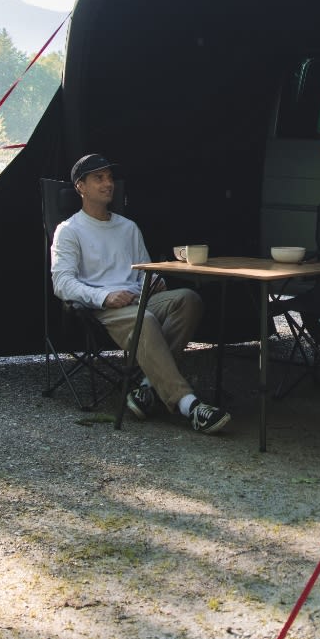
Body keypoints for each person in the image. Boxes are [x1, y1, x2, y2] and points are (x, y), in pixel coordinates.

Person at [50, 153, 231, 435]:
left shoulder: (127, 227)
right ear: (80, 187)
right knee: (143, 319)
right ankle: (189, 405)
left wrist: (155, 279)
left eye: (110, 177)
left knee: (188, 299)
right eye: (99, 178)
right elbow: (62, 284)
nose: (108, 183)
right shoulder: (69, 230)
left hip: (139, 299)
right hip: (104, 307)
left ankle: (148, 386)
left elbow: (143, 270)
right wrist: (104, 298)